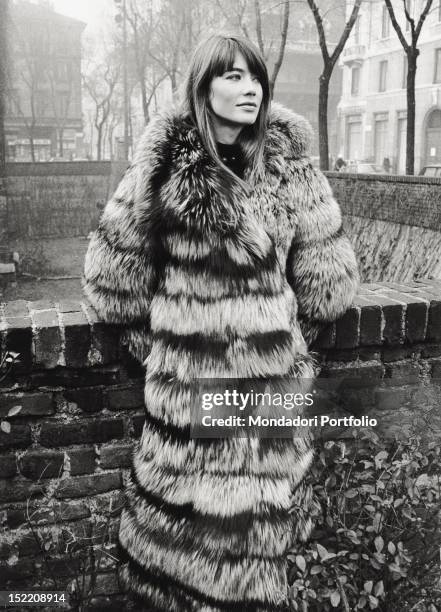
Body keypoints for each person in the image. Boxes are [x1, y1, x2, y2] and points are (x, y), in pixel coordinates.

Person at [83, 34, 359, 611]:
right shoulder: (162, 170)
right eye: (231, 76)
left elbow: (328, 283)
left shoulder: (289, 165)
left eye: (254, 76)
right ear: (201, 88)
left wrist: (282, 344)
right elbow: (111, 283)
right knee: (192, 545)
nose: (249, 88)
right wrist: (167, 353)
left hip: (274, 393)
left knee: (267, 537)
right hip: (193, 399)